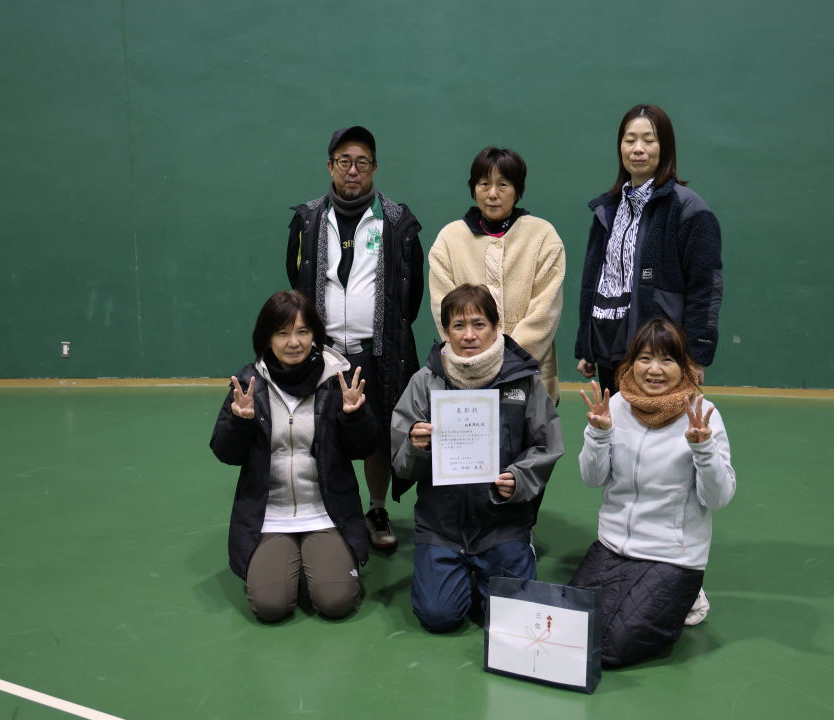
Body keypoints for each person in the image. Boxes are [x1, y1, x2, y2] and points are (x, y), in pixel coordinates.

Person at [391, 283, 564, 632]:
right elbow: (400, 462)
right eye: (458, 325)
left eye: (479, 324)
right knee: (439, 617)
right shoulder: (425, 382)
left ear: (496, 327)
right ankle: (457, 573)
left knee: (508, 620)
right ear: (446, 331)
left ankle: (514, 553)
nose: (469, 335)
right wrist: (415, 445)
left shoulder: (523, 381)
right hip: (441, 526)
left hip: (502, 525)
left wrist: (519, 478)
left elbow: (547, 445)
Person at [285, 126, 424, 553]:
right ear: (330, 166)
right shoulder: (307, 220)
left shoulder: (398, 221)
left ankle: (376, 509)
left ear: (374, 168)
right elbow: (296, 279)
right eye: (344, 161)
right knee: (323, 434)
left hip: (375, 354)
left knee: (377, 435)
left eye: (362, 162)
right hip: (323, 355)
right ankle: (330, 513)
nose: (352, 170)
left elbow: (412, 294)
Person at [570, 317, 736, 666]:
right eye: (644, 358)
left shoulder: (702, 415)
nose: (654, 370)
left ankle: (687, 595)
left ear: (684, 367)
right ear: (631, 363)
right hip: (613, 546)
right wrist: (598, 435)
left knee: (612, 649)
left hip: (672, 556)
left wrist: (703, 449)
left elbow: (718, 498)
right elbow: (592, 479)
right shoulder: (615, 406)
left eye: (667, 360)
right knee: (572, 629)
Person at [210, 290, 377, 622]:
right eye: (282, 332)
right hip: (270, 515)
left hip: (326, 512)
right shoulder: (248, 385)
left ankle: (325, 559)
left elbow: (365, 448)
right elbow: (225, 453)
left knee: (335, 603)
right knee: (270, 607)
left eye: (302, 331)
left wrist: (354, 416)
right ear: (267, 338)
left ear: (315, 334)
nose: (294, 342)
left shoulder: (337, 382)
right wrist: (240, 422)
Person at [575, 104, 723, 393]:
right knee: (613, 422)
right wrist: (587, 346)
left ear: (665, 147)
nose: (638, 149)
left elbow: (706, 286)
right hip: (607, 347)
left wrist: (695, 353)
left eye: (649, 140)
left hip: (658, 354)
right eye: (630, 140)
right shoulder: (606, 209)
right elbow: (595, 281)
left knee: (658, 423)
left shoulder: (688, 207)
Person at [428, 147, 565, 402]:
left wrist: (509, 361)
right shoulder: (449, 239)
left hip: (529, 372)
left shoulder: (543, 237)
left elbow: (545, 312)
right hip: (466, 374)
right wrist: (480, 361)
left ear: (517, 189)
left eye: (503, 185)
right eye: (484, 184)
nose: (492, 194)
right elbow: (443, 309)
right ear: (474, 188)